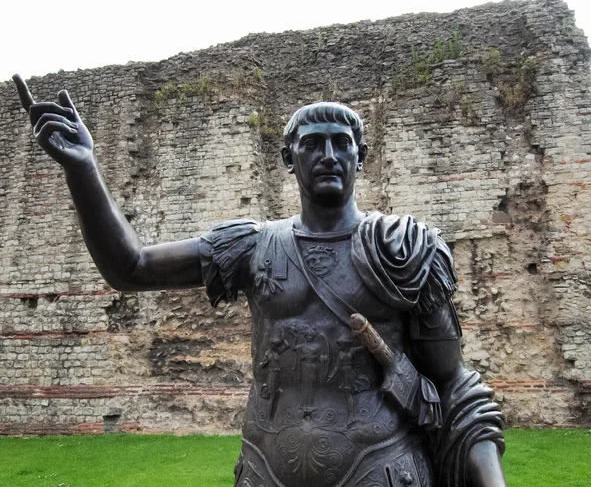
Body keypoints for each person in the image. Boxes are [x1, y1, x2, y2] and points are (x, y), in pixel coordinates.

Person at [13, 74, 507, 487]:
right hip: (265, 471)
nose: (329, 155)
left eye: (342, 144)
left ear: (361, 156)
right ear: (290, 159)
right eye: (312, 144)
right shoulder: (251, 246)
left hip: (381, 469)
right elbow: (132, 267)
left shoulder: (403, 247)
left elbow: (455, 385)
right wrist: (83, 168)